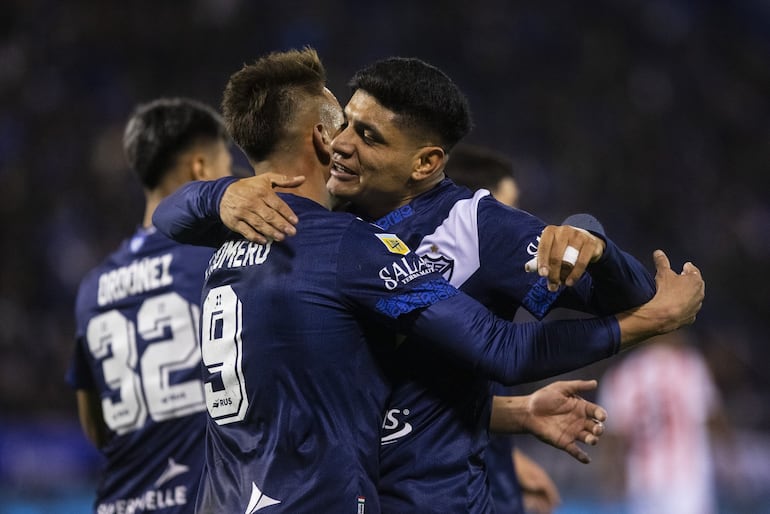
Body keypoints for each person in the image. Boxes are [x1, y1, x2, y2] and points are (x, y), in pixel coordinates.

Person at [153, 48, 704, 513]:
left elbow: (630, 296)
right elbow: (168, 217)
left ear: (425, 162)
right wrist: (220, 194)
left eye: (366, 135)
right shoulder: (307, 221)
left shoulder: (475, 227)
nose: (342, 144)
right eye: (345, 123)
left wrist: (594, 243)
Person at [66, 97, 234, 513]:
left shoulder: (94, 286)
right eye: (226, 165)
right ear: (201, 169)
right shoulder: (220, 259)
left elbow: (95, 426)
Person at [447, 142, 560, 514]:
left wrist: (510, 461)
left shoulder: (480, 306)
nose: (518, 224)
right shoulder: (435, 310)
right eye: (508, 210)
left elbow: (470, 410)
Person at [597, 330, 725, 514]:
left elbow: (612, 436)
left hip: (642, 482)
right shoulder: (689, 365)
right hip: (687, 481)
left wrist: (610, 480)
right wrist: (732, 462)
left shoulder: (620, 375)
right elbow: (713, 417)